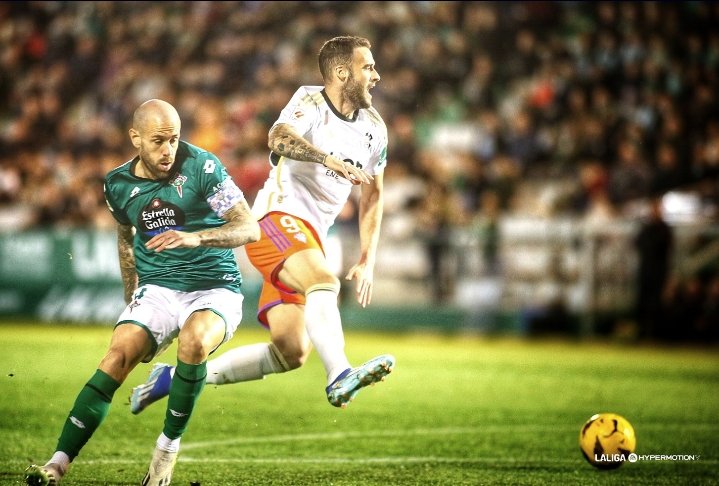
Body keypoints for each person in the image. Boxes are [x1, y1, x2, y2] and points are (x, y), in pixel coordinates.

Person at [130, 35, 394, 416]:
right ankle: (339, 375)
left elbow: (374, 195)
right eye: (367, 66)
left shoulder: (375, 128)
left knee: (290, 352)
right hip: (275, 221)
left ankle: (170, 378)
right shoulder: (310, 101)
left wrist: (368, 257)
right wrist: (326, 159)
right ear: (341, 72)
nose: (377, 75)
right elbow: (278, 136)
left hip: (307, 242)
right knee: (324, 282)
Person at [25, 99, 260, 486]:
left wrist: (196, 237)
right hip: (157, 290)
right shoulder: (118, 184)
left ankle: (166, 451)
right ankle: (57, 462)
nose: (168, 150)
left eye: (174, 139)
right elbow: (125, 240)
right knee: (117, 355)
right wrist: (132, 297)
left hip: (213, 287)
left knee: (194, 342)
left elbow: (248, 228)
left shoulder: (202, 168)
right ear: (135, 138)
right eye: (158, 141)